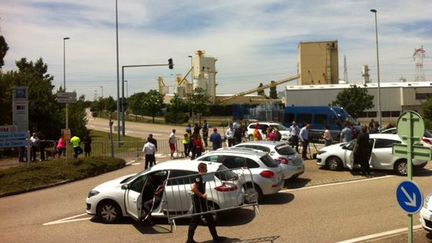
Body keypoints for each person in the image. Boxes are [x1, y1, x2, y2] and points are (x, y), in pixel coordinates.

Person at [187, 163, 224, 243]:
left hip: (202, 202)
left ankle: (216, 238)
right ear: (202, 169)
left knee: (209, 219)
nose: (207, 170)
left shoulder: (203, 177)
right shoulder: (198, 178)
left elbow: (213, 177)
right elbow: (193, 189)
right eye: (206, 169)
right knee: (195, 220)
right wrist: (203, 195)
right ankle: (189, 240)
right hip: (198, 202)